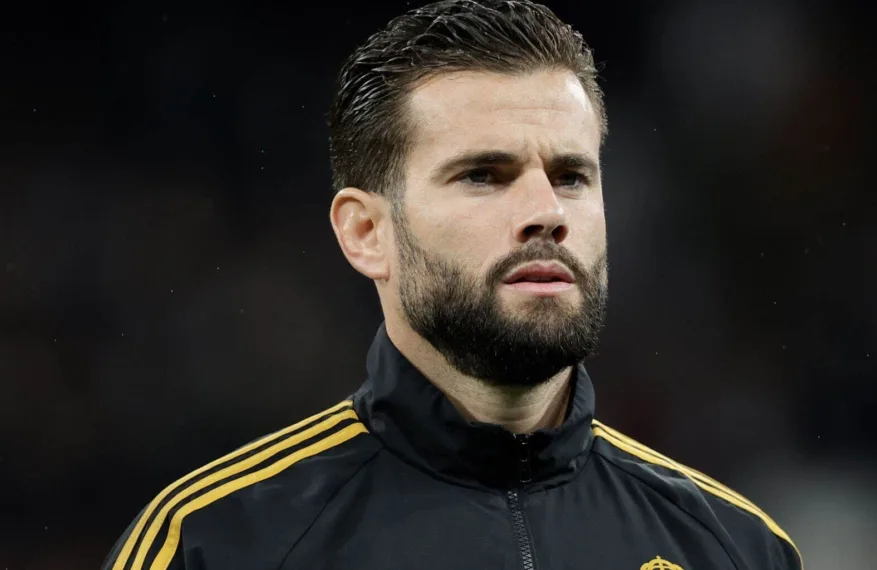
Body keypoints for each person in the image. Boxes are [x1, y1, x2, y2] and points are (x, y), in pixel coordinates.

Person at [102, 1, 802, 568]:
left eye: (571, 176)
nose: (546, 214)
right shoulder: (216, 543)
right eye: (482, 176)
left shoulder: (735, 549)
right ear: (366, 234)